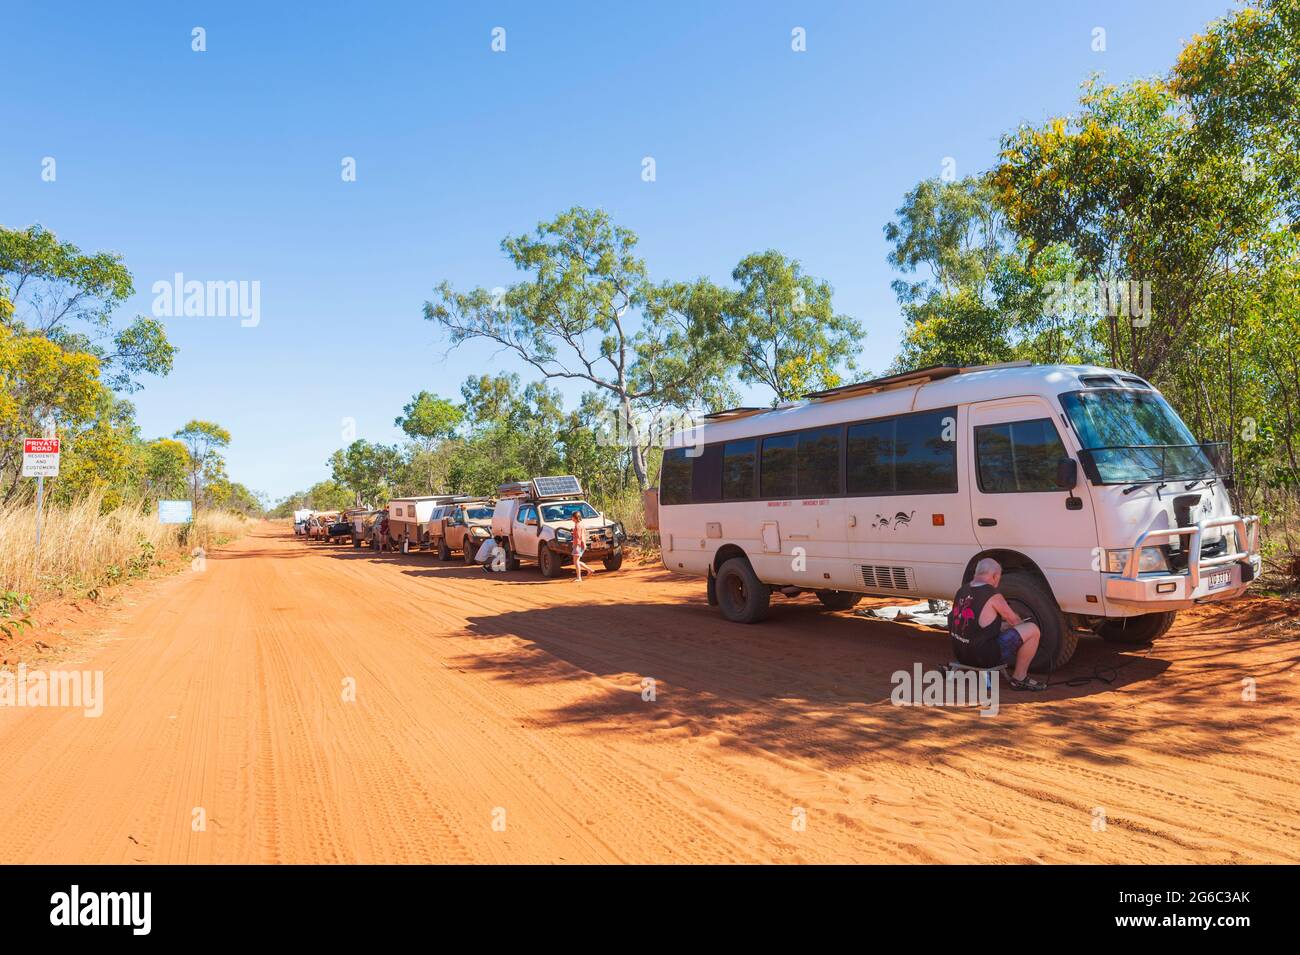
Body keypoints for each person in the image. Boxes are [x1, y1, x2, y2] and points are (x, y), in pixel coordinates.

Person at [949, 558, 1046, 691]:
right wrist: (1020, 623)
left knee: (1002, 628)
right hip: (982, 658)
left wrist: (1001, 626)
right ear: (995, 576)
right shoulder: (992, 595)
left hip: (960, 654)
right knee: (1033, 630)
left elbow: (974, 624)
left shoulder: (962, 590)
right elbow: (1015, 621)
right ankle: (1019, 678)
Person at [570, 511, 593, 582]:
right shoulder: (581, 524)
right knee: (576, 561)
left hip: (578, 545)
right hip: (581, 544)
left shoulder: (577, 525)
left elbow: (578, 537)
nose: (571, 518)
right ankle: (589, 570)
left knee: (576, 561)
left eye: (572, 517)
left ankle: (579, 577)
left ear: (574, 518)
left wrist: (576, 545)